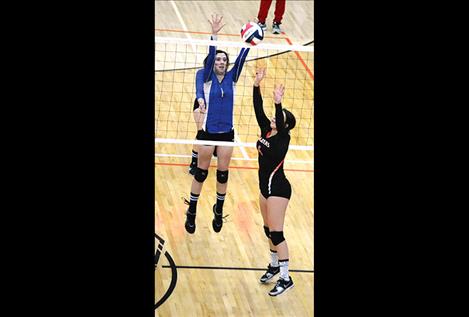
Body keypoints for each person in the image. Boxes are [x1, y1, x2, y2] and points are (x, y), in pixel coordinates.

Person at [184, 14, 250, 234]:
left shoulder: (232, 78)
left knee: (223, 174)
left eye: (224, 60)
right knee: (201, 173)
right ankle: (192, 211)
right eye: (218, 60)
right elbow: (211, 56)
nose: (221, 62)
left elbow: (241, 59)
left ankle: (218, 210)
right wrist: (214, 35)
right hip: (208, 133)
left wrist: (248, 43)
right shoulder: (206, 76)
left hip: (226, 134)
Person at [252, 67, 296, 296]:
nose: (272, 118)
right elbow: (258, 108)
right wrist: (256, 85)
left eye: (278, 117)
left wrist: (279, 104)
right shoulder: (265, 130)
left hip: (278, 189)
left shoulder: (283, 138)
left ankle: (286, 278)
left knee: (277, 234)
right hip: (264, 187)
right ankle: (273, 265)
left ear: (285, 124)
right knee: (268, 230)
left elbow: (279, 117)